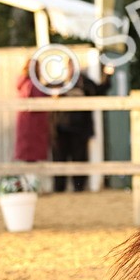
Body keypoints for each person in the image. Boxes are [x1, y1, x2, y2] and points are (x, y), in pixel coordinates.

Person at [50, 61, 113, 193]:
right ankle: (58, 190)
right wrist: (52, 95)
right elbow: (41, 92)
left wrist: (107, 75)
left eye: (72, 67)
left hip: (80, 129)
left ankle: (79, 189)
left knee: (79, 159)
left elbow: (100, 90)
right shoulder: (57, 85)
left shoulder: (85, 83)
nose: (70, 70)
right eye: (68, 67)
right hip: (60, 129)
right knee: (59, 161)